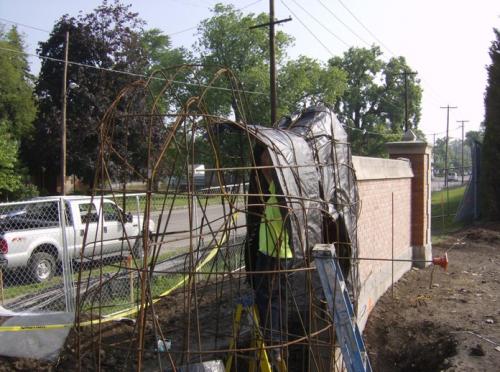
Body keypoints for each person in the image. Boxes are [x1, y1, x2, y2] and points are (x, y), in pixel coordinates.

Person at [246, 146, 293, 365]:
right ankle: (275, 343)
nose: (266, 163)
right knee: (273, 297)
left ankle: (273, 344)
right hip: (272, 252)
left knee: (271, 298)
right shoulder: (276, 188)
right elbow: (266, 171)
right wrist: (264, 153)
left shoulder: (285, 196)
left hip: (276, 254)